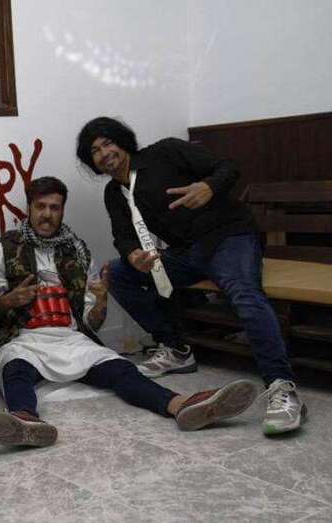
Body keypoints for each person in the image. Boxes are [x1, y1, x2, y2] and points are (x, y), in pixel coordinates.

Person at [0, 177, 259, 448]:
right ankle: (25, 420)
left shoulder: (77, 251)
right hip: (24, 339)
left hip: (70, 338)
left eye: (55, 207)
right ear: (29, 208)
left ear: (62, 210)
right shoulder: (1, 250)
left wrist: (101, 302)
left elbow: (91, 321)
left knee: (121, 369)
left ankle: (181, 405)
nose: (47, 214)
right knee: (15, 369)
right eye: (40, 206)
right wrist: (8, 301)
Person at [76, 116, 306, 435]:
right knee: (117, 272)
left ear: (122, 141)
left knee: (243, 292)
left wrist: (209, 187)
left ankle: (282, 386)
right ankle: (176, 349)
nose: (104, 153)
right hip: (186, 253)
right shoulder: (115, 193)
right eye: (95, 150)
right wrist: (133, 255)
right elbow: (123, 235)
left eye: (108, 143)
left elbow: (228, 167)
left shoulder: (165, 152)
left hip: (229, 237)